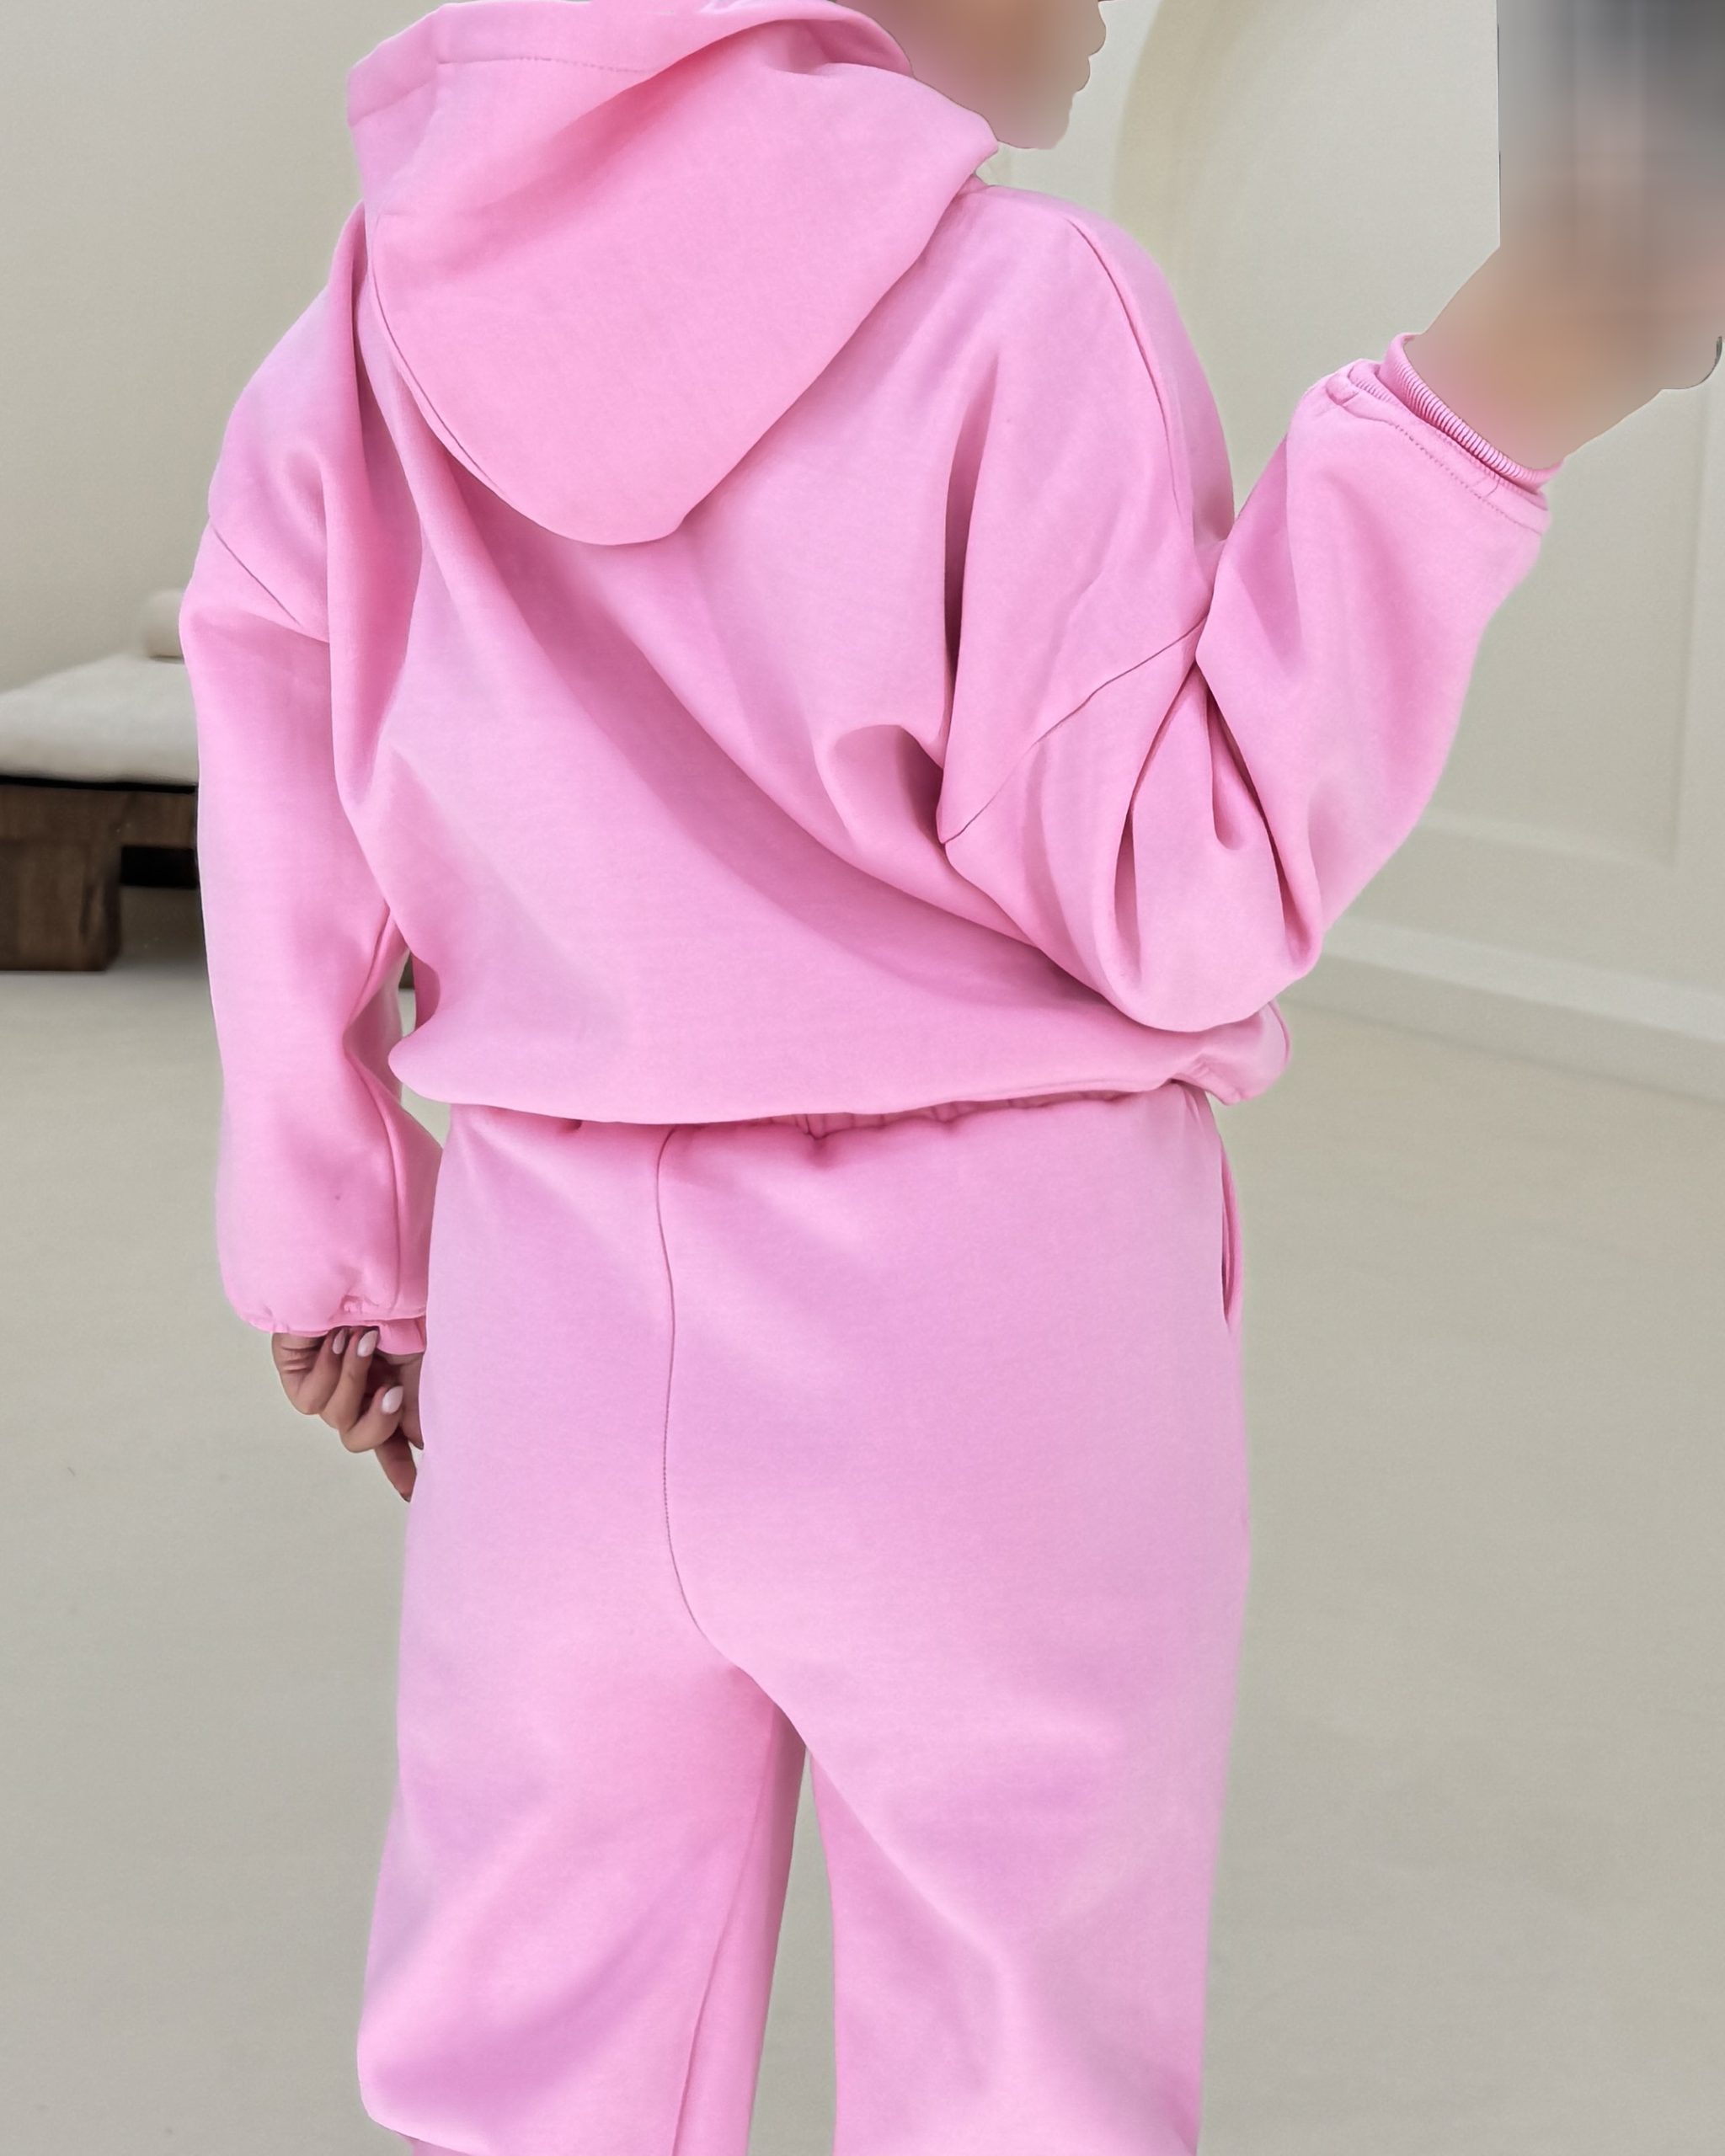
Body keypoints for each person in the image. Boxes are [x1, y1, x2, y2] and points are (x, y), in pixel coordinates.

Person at [176, 0, 1722, 2149]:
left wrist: (336, 1254)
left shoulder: (347, 359)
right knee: (1019, 2071)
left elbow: (284, 845)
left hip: (553, 1341)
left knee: (528, 2057)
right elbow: (1178, 891)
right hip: (994, 1347)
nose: (1097, 12)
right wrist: (1466, 411)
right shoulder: (1031, 306)